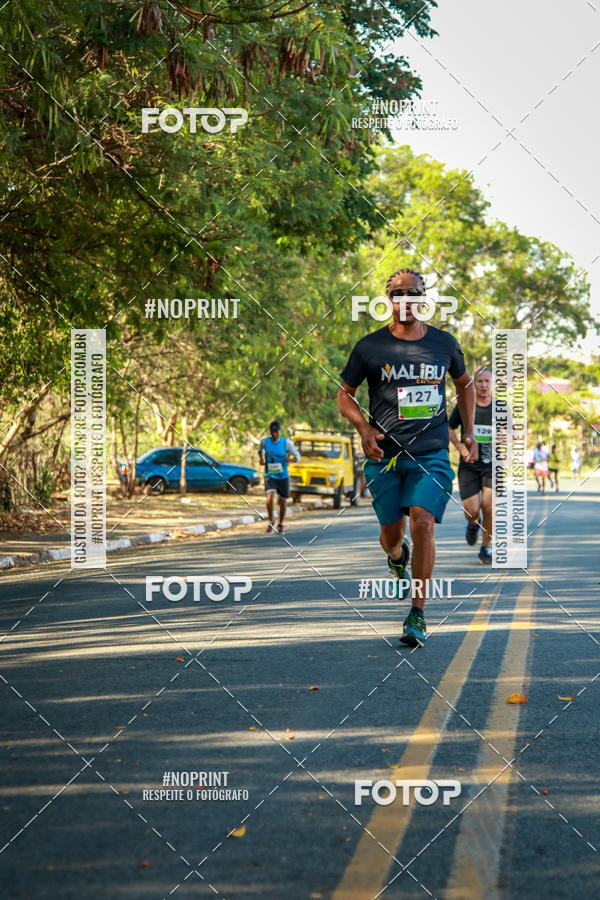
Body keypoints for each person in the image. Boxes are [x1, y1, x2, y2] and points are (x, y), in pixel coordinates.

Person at [337, 268, 476, 648]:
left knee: (422, 520)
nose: (405, 299)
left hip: (430, 454)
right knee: (391, 536)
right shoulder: (369, 347)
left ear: (424, 297)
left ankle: (418, 612)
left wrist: (466, 430)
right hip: (384, 457)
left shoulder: (445, 344)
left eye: (413, 292)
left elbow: (463, 384)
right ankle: (397, 556)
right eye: (397, 293)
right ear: (388, 300)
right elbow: (344, 394)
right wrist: (365, 429)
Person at [448, 366, 494, 564]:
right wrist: (459, 446)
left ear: (492, 384)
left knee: (489, 506)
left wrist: (505, 437)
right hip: (469, 464)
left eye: (487, 381)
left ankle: (486, 548)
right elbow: (449, 428)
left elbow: (514, 433)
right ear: (474, 384)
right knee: (473, 510)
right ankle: (473, 524)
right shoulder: (465, 407)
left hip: (492, 464)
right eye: (480, 381)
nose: (483, 385)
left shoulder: (501, 408)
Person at [259, 421, 301, 534]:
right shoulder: (264, 442)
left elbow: (298, 457)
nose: (274, 434)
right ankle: (271, 520)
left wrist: (290, 460)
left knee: (282, 501)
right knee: (269, 497)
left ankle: (281, 523)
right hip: (270, 475)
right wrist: (262, 459)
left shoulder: (286, 443)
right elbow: (260, 451)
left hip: (283, 476)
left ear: (279, 431)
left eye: (276, 431)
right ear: (270, 432)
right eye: (272, 431)